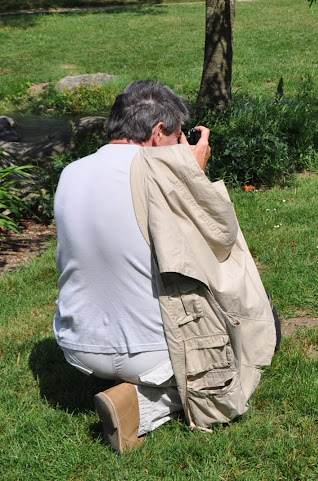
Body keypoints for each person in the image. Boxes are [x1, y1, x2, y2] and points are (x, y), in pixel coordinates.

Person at [53, 80, 277, 453]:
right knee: (252, 339)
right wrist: (192, 173)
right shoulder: (163, 173)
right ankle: (141, 406)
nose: (180, 146)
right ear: (159, 133)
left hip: (77, 348)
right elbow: (216, 245)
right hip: (150, 353)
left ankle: (127, 383)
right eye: (177, 138)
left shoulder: (71, 172)